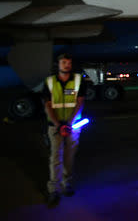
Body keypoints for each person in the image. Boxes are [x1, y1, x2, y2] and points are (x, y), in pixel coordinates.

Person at [42, 53, 86, 206]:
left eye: (69, 62)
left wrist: (68, 124)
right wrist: (59, 125)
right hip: (55, 127)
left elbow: (80, 103)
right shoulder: (49, 82)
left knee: (69, 157)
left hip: (72, 126)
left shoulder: (79, 81)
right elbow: (48, 105)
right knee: (55, 157)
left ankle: (66, 184)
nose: (66, 65)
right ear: (58, 64)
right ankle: (53, 189)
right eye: (63, 62)